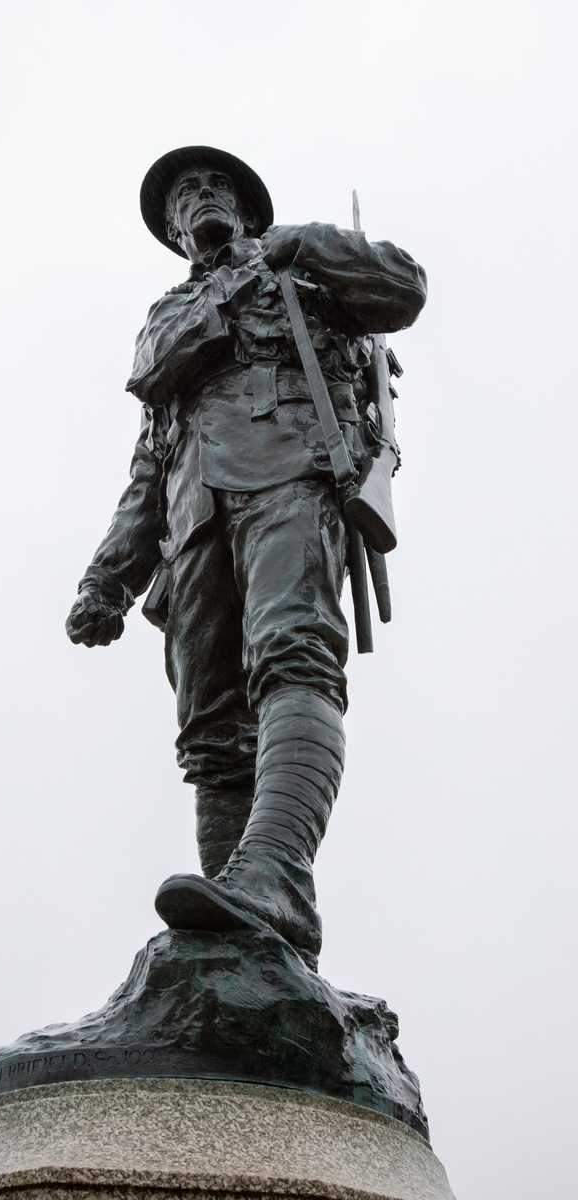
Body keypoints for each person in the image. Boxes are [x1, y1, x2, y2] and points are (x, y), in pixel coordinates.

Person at [66, 146, 426, 969]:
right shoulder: (166, 318)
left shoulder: (300, 270)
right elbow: (152, 460)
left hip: (291, 468)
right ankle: (236, 921)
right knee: (210, 733)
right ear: (170, 229)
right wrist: (106, 579)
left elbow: (403, 288)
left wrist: (300, 243)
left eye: (211, 186)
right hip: (193, 517)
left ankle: (278, 877)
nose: (197, 199)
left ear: (245, 207)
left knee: (293, 654)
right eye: (182, 196)